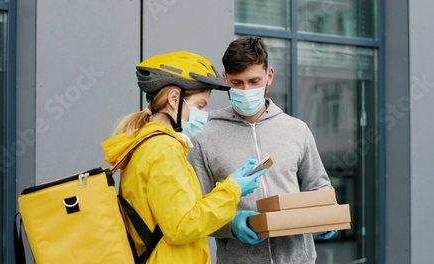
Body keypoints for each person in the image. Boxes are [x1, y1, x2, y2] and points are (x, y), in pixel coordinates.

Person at [102, 51, 268, 264]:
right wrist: (233, 190)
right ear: (174, 99)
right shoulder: (164, 148)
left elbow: (179, 213)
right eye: (200, 106)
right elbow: (182, 226)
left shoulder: (147, 144)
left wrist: (230, 185)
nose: (204, 114)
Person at [187, 36, 337, 264]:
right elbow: (195, 212)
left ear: (270, 76)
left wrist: (328, 212)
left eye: (254, 81)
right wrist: (232, 225)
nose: (246, 90)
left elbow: (318, 185)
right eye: (237, 83)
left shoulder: (297, 129)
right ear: (225, 78)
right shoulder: (204, 135)